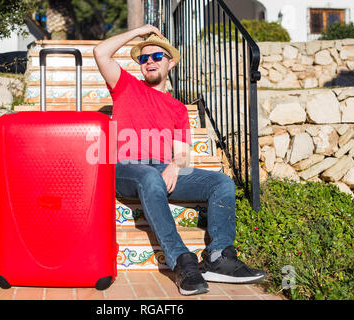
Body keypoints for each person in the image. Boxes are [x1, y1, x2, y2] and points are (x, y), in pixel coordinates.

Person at [93, 24, 266, 296]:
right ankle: (182, 261)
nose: (149, 61)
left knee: (221, 183)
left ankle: (219, 257)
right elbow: (100, 52)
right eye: (144, 58)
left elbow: (183, 152)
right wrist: (139, 32)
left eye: (156, 57)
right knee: (149, 177)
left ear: (170, 63)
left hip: (164, 168)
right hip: (126, 167)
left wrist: (174, 166)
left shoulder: (177, 108)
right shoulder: (125, 85)